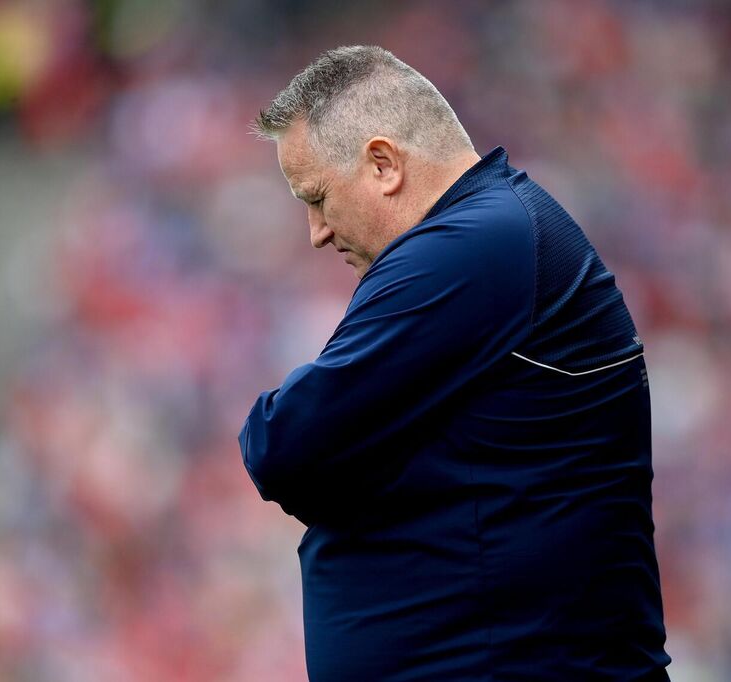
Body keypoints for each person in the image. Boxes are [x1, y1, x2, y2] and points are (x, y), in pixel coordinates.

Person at [239, 45, 671, 681]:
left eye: (317, 197)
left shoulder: (473, 246)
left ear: (383, 164)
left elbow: (284, 444)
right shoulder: (495, 232)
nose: (317, 232)